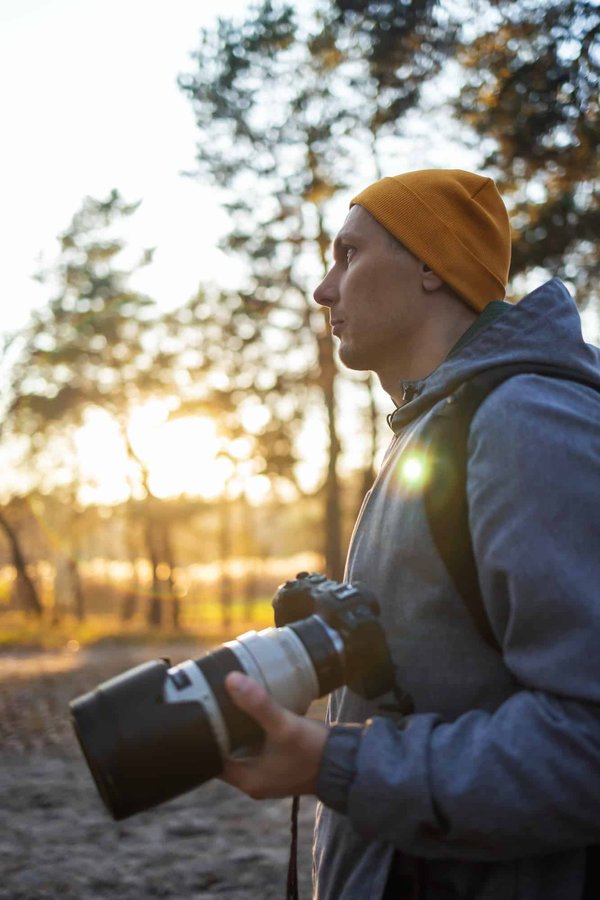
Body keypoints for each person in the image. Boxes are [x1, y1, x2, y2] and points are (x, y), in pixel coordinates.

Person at [221, 169, 600, 899]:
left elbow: (587, 739)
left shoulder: (525, 421)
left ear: (431, 263)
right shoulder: (440, 424)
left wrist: (335, 763)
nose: (323, 289)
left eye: (349, 254)